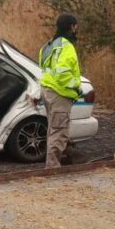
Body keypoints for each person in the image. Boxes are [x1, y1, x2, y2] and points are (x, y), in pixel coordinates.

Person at [38, 13, 82, 168]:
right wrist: (76, 85)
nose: (76, 30)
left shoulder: (49, 45)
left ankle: (56, 164)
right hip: (59, 94)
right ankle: (52, 170)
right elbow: (62, 74)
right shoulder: (66, 46)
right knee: (58, 133)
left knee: (53, 130)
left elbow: (45, 69)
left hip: (48, 91)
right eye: (75, 26)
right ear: (71, 27)